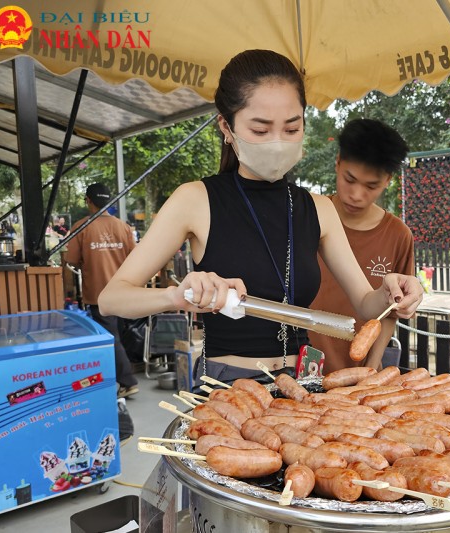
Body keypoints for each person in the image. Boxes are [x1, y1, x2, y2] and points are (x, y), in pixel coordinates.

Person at [97, 49, 423, 386]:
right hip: (229, 385)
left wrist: (392, 294)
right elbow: (112, 299)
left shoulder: (318, 208)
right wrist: (176, 296)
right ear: (226, 126)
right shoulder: (195, 200)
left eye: (291, 127)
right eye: (261, 130)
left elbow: (366, 304)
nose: (278, 143)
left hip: (304, 383)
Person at [309, 119, 414, 373]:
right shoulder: (308, 216)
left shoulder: (398, 235)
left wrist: (371, 366)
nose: (356, 194)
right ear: (337, 163)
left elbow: (391, 313)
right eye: (350, 179)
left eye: (371, 186)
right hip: (300, 364)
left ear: (387, 180)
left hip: (357, 370)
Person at [65, 183, 140, 398]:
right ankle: (125, 375)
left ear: (89, 201)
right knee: (121, 335)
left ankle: (128, 380)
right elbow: (134, 258)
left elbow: (71, 261)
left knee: (110, 338)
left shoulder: (81, 227)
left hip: (99, 294)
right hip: (125, 292)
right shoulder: (123, 227)